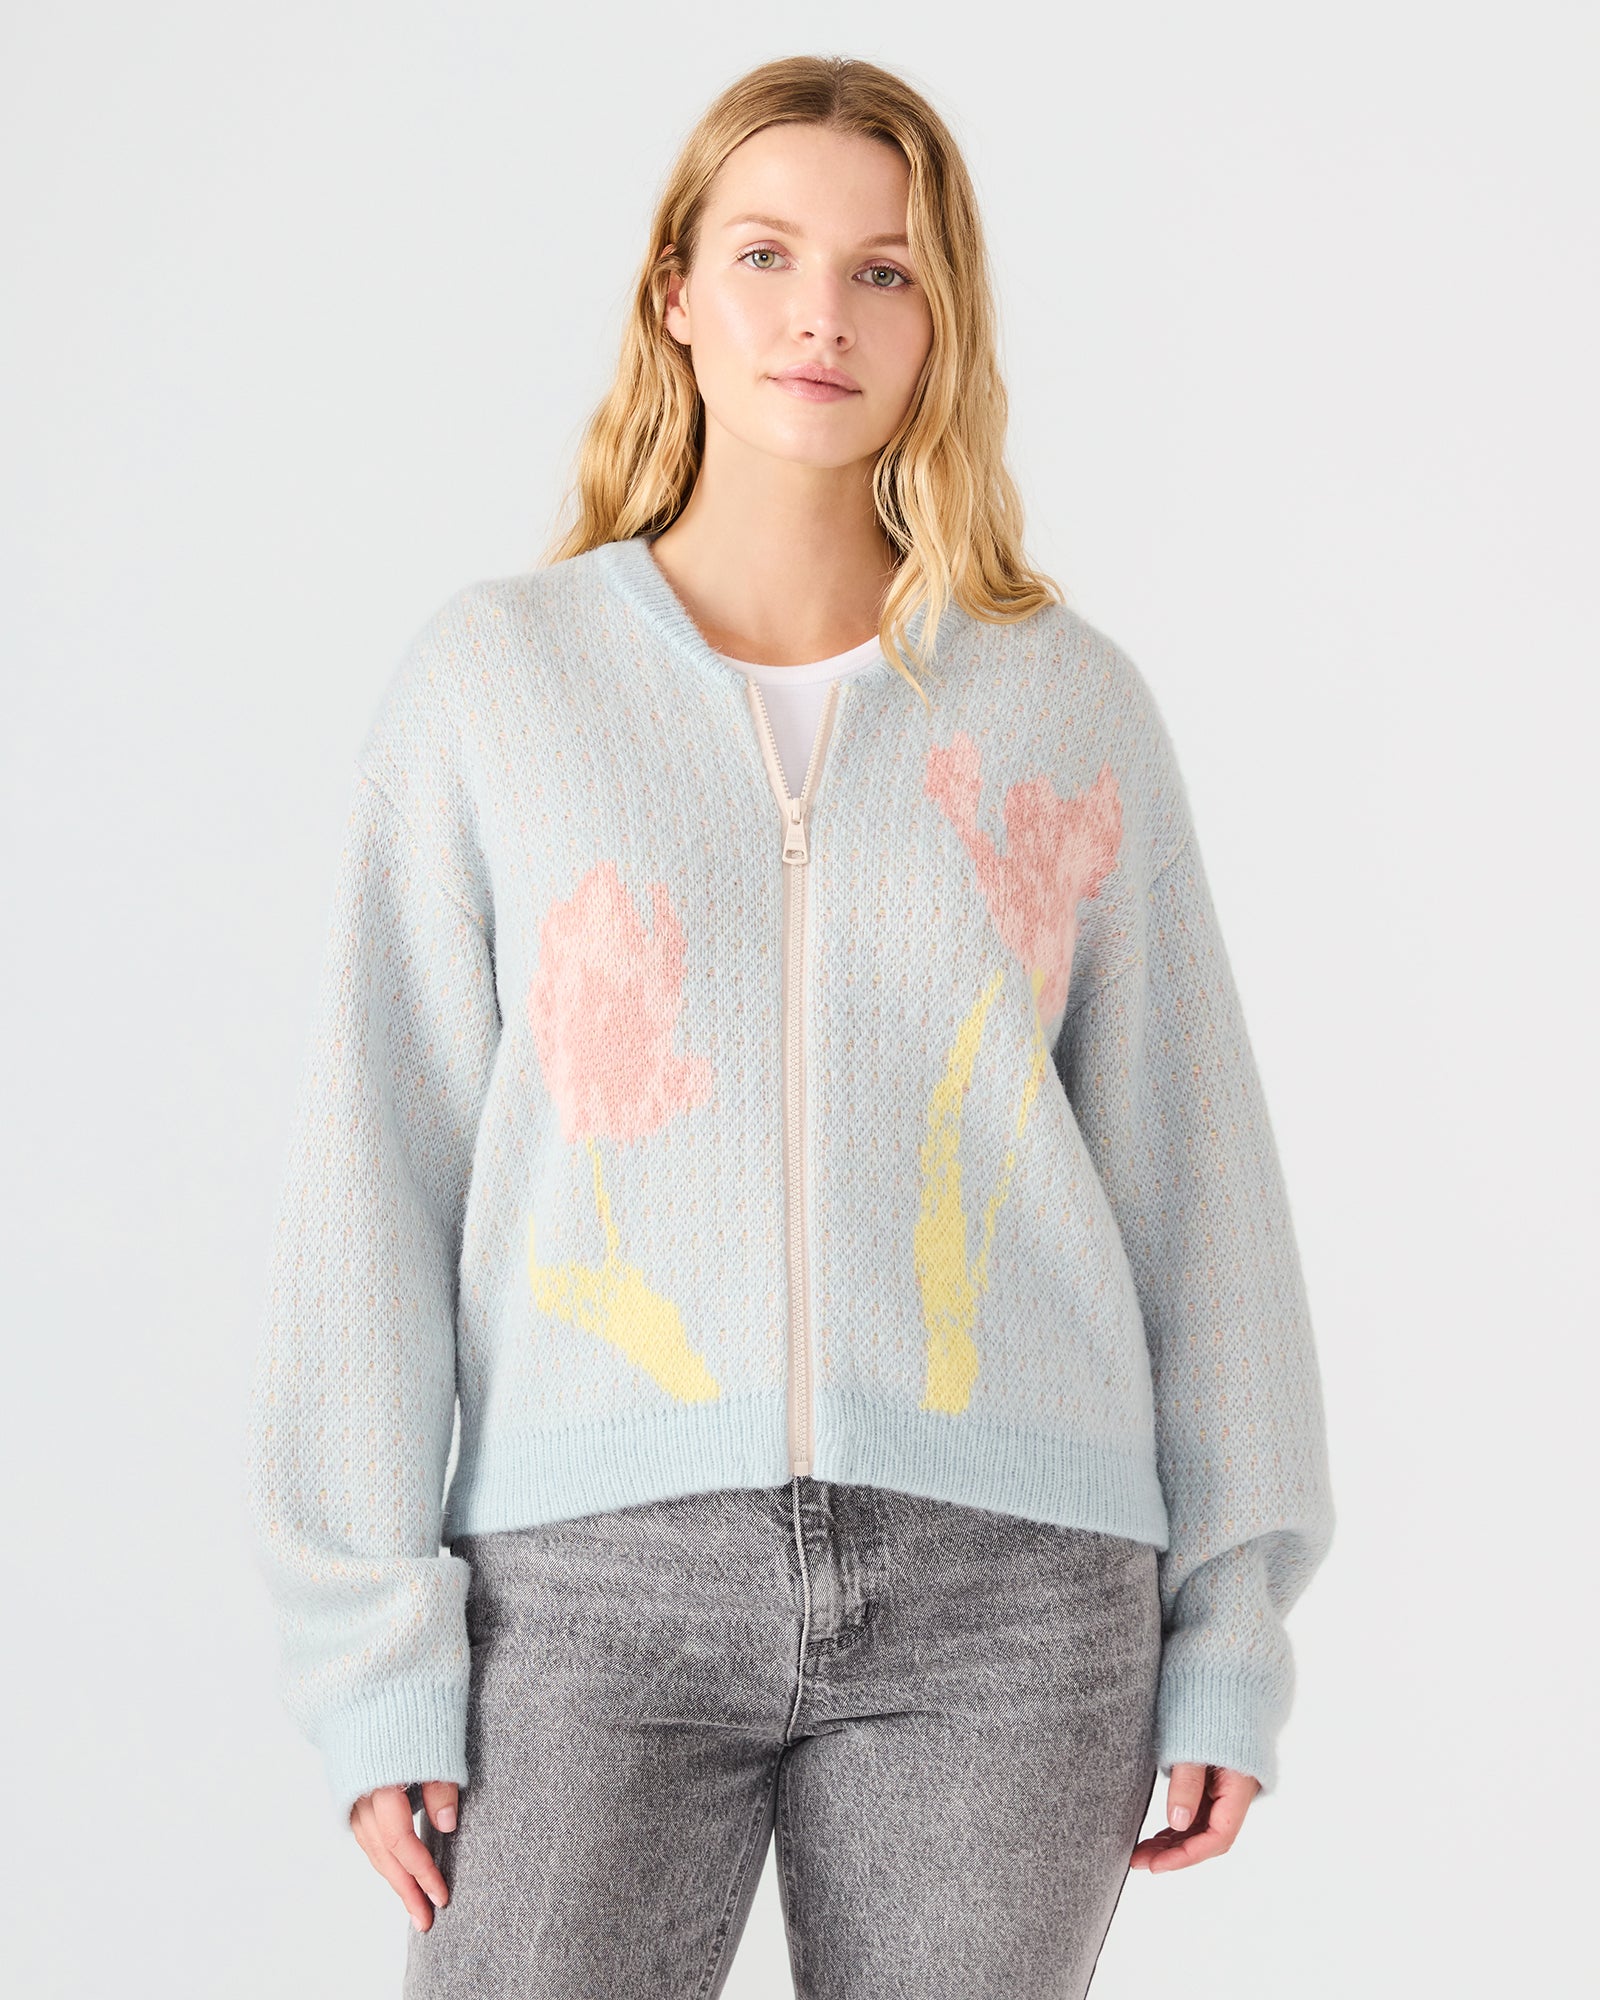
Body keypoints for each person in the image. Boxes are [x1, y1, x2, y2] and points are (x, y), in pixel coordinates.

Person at [242, 52, 1336, 2000]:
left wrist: (1230, 1622)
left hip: (1016, 1585)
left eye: (882, 271)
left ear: (940, 325)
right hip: (587, 1578)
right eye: (764, 255)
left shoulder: (1063, 701)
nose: (820, 313)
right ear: (675, 292)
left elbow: (1195, 1181)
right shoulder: (496, 686)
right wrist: (372, 1650)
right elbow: (375, 1181)